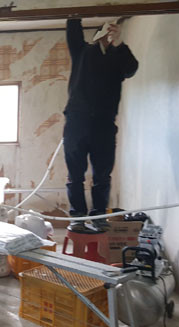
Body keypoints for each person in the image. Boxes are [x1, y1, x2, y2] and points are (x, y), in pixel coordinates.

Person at [63, 19, 138, 232]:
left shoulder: (118, 57)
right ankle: (78, 217)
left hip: (104, 125)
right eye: (104, 32)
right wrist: (75, 16)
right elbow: (73, 32)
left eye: (110, 33)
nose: (107, 36)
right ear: (97, 36)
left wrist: (120, 43)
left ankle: (98, 216)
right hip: (77, 122)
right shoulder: (82, 52)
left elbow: (131, 69)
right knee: (75, 174)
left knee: (102, 175)